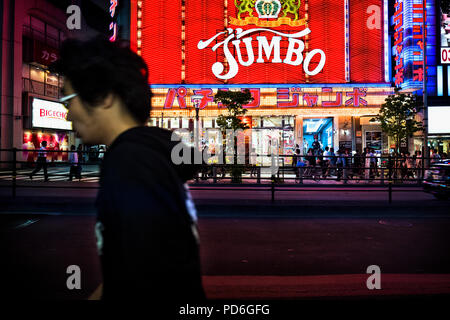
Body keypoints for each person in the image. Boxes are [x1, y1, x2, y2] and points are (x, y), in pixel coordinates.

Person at [51, 37, 205, 302]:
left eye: (68, 101)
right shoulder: (152, 151)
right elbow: (132, 267)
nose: (67, 115)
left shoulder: (130, 160)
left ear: (105, 97)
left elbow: (146, 281)